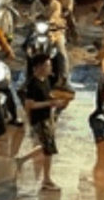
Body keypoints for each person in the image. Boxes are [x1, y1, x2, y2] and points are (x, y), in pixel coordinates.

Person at [16, 54, 69, 192]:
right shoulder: (33, 84)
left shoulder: (45, 80)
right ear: (38, 67)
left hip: (47, 117)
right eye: (47, 65)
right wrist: (51, 103)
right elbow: (29, 105)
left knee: (46, 145)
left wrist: (57, 101)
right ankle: (46, 180)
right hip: (40, 120)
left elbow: (47, 96)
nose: (50, 67)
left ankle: (22, 160)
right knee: (49, 149)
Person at [29, 0, 69, 87]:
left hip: (55, 32)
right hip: (39, 32)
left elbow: (56, 16)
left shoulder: (56, 4)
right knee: (28, 48)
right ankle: (28, 75)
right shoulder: (35, 4)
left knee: (61, 52)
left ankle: (64, 76)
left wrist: (51, 22)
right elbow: (32, 16)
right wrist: (33, 19)